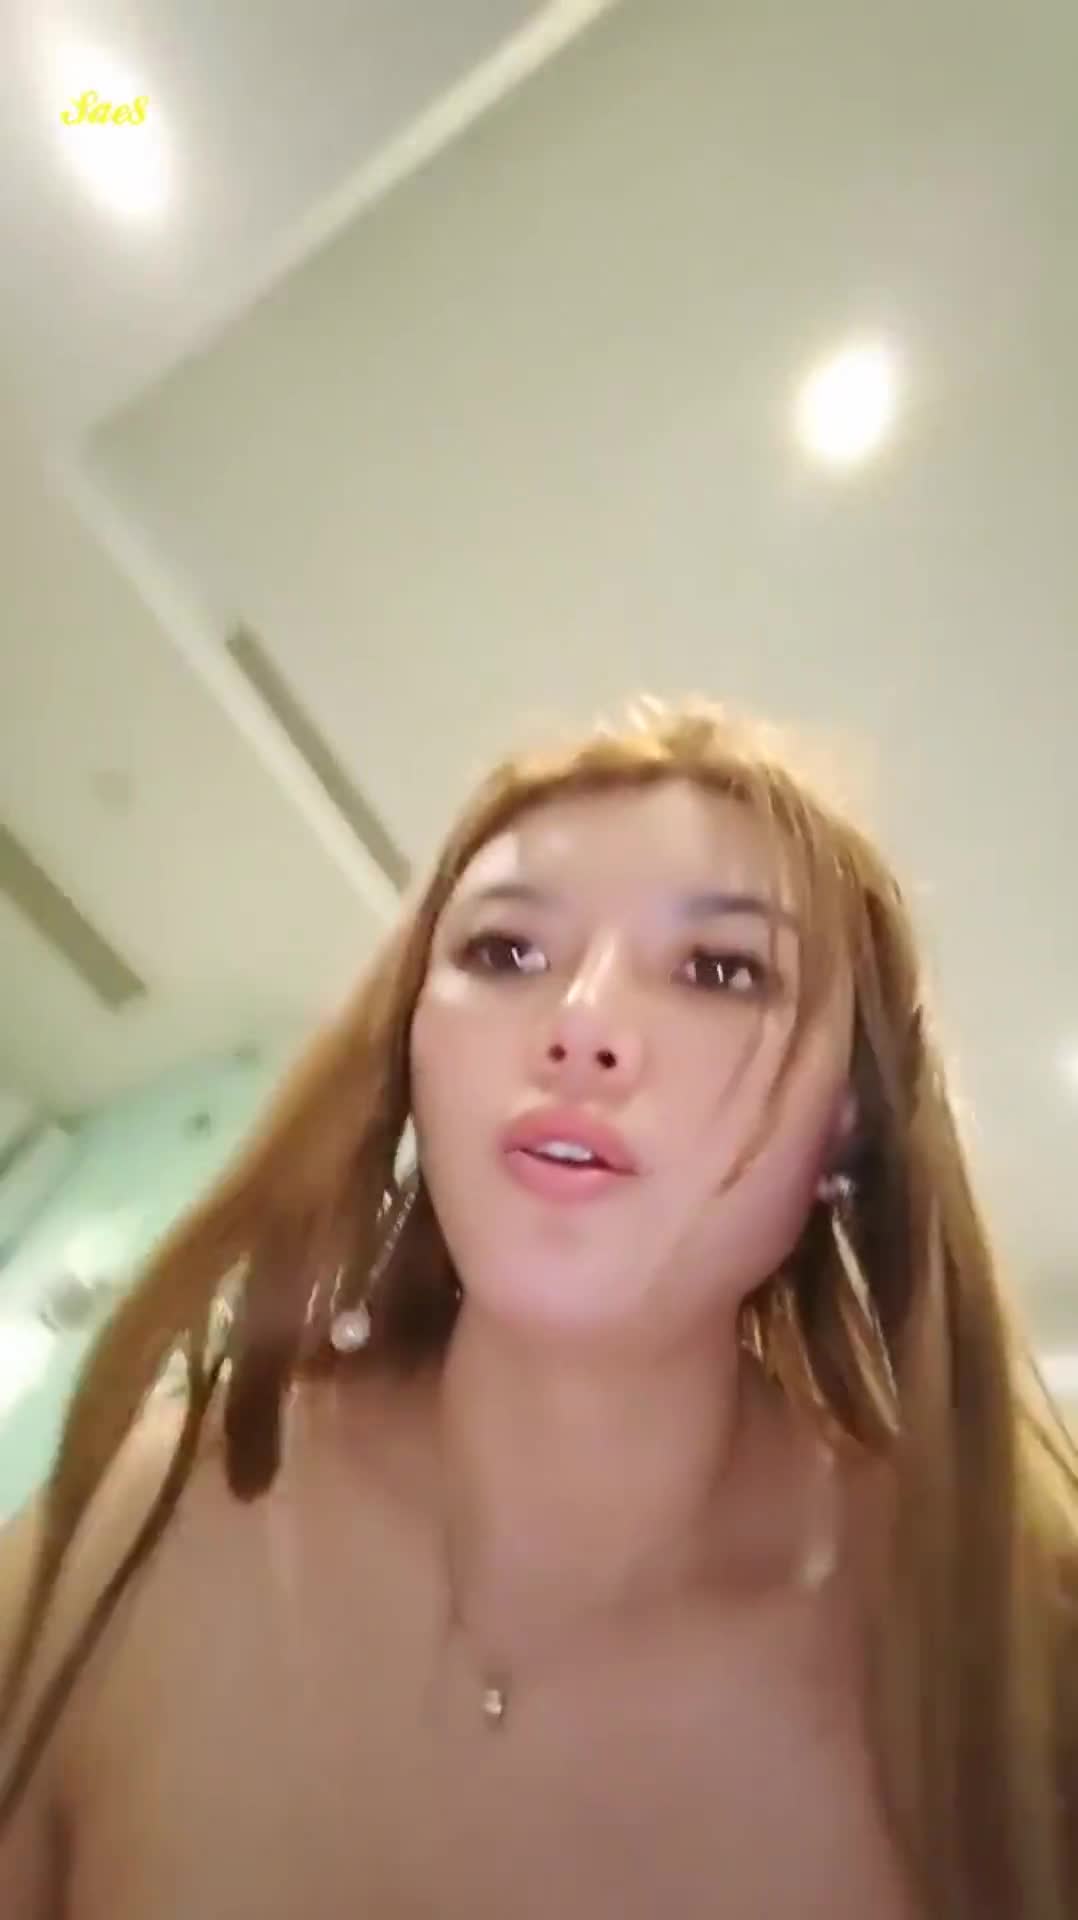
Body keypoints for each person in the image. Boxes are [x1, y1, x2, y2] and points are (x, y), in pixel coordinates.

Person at [0, 696, 1075, 1919]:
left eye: (721, 970)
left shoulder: (1005, 1648)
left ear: (848, 1126)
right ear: (410, 1052)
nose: (580, 1024)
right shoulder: (143, 1517)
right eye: (505, 953)